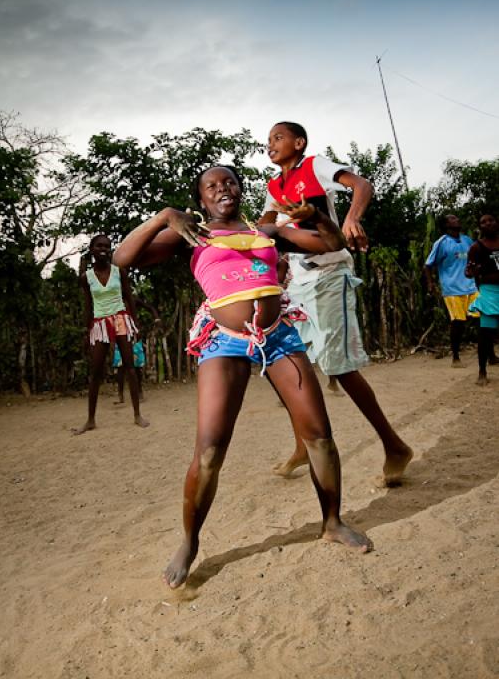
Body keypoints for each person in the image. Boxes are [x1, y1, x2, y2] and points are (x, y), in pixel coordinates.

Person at [115, 165, 373, 589]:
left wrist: (314, 216)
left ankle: (332, 521)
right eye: (212, 186)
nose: (223, 190)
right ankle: (189, 541)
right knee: (211, 448)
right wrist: (165, 216)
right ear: (201, 199)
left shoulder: (266, 229)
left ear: (241, 188)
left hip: (279, 335)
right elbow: (124, 257)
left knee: (320, 436)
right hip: (225, 340)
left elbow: (332, 242)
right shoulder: (192, 236)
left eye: (230, 182)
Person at [259, 121, 413, 484]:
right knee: (284, 361)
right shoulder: (274, 187)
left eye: (278, 138)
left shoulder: (314, 165)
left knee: (338, 367)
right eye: (267, 141)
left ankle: (394, 446)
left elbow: (362, 184)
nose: (270, 144)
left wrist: (351, 218)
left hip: (329, 275)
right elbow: (263, 229)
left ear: (299, 142)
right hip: (297, 281)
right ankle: (302, 444)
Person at [73, 234, 149, 434]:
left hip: (121, 319)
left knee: (130, 367)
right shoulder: (86, 278)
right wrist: (86, 331)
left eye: (107, 246)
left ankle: (137, 414)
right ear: (92, 249)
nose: (103, 249)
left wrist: (136, 325)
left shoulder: (119, 272)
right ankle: (90, 420)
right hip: (99, 324)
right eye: (99, 246)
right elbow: (88, 306)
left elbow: (129, 298)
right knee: (96, 372)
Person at [424, 214, 479, 366]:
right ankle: (455, 357)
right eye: (453, 219)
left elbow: (476, 258)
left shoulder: (467, 240)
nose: (458, 219)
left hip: (471, 287)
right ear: (446, 225)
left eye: (457, 217)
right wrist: (431, 284)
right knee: (458, 323)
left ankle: (490, 355)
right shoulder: (441, 243)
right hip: (453, 289)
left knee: (484, 319)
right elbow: (428, 265)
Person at [465, 213, 499, 385]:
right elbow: (468, 271)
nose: (488, 224)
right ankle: (482, 371)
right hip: (489, 292)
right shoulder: (476, 247)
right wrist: (473, 271)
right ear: (480, 228)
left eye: (490, 220)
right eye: (483, 222)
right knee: (485, 334)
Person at [112, 338, 145, 403]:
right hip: (120, 337)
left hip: (133, 338)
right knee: (120, 367)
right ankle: (120, 394)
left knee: (136, 367)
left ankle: (139, 391)